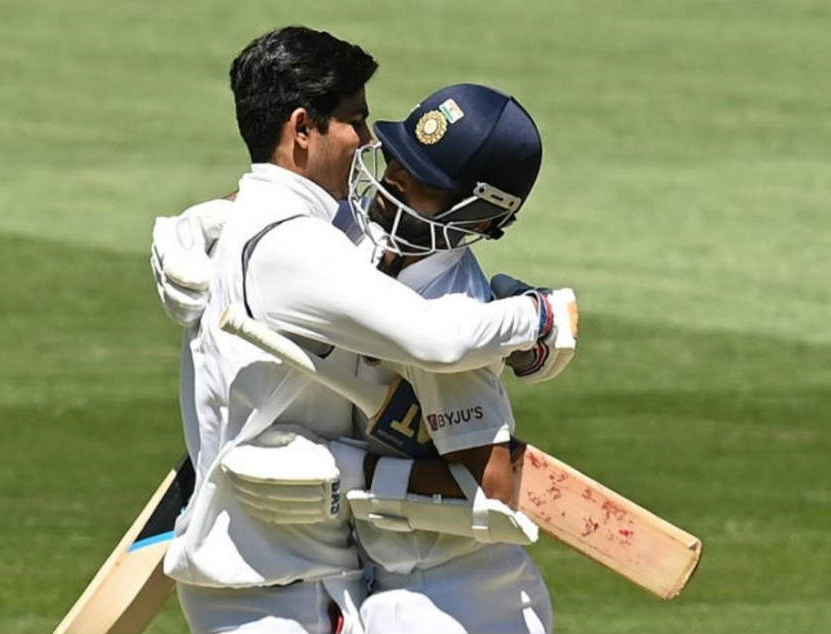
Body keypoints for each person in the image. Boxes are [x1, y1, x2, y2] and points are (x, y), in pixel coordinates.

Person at [150, 27, 564, 634]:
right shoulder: (322, 241)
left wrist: (354, 473)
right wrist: (538, 319)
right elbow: (431, 336)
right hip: (287, 586)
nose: (379, 158)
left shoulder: (405, 268)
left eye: (414, 174)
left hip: (439, 596)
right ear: (301, 129)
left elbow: (488, 477)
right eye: (359, 123)